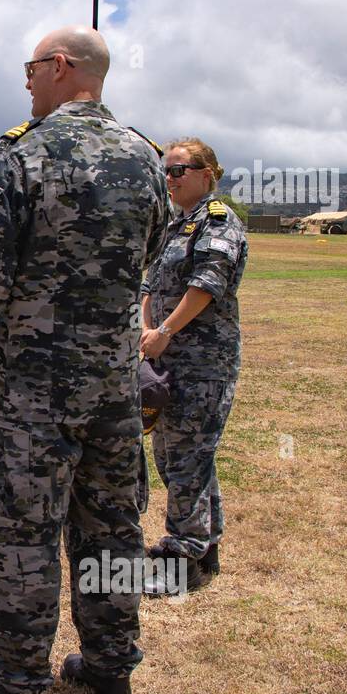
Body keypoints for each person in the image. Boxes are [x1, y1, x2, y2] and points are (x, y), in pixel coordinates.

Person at [0, 26, 167, 694]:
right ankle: (111, 668)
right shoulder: (147, 159)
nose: (27, 81)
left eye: (32, 68)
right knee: (111, 527)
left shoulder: (23, 155)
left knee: (21, 534)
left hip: (34, 391)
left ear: (62, 68)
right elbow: (146, 255)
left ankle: (19, 689)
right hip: (114, 388)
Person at [140, 138, 247, 595]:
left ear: (208, 174)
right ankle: (206, 546)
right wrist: (147, 332)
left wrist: (164, 331)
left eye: (179, 170)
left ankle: (184, 558)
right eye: (166, 170)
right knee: (178, 455)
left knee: (187, 458)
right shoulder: (174, 224)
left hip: (203, 363)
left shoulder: (217, 222)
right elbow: (149, 280)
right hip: (166, 360)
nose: (170, 178)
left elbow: (205, 285)